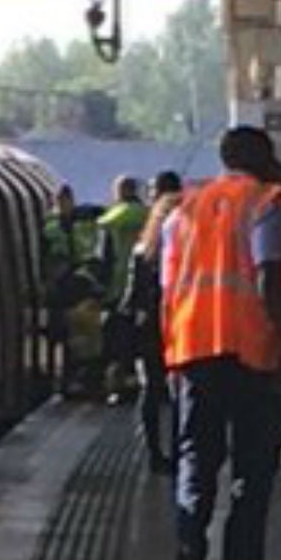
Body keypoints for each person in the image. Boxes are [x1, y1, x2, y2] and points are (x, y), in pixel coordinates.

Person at [163, 127, 281, 560]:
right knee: (250, 476)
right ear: (264, 159)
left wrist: (171, 358)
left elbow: (169, 287)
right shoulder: (267, 202)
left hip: (193, 351)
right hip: (251, 353)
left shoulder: (184, 211)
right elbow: (269, 273)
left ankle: (187, 554)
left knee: (195, 462)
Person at [120, 173, 185, 472]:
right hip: (182, 325)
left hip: (148, 327)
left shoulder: (141, 250)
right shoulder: (189, 243)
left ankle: (154, 453)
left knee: (151, 389)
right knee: (179, 391)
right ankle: (179, 448)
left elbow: (131, 296)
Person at [96, 176, 151, 401]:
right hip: (146, 289)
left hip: (118, 289)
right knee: (140, 342)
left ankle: (120, 385)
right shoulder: (149, 216)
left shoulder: (116, 217)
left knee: (119, 342)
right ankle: (139, 381)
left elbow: (103, 252)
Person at [42, 185, 98, 394]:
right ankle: (64, 380)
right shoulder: (50, 226)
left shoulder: (83, 220)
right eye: (60, 201)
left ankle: (79, 379)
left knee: (80, 339)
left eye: (65, 200)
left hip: (78, 286)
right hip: (60, 289)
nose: (63, 204)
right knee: (62, 336)